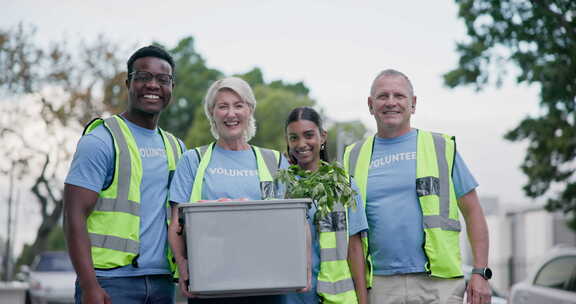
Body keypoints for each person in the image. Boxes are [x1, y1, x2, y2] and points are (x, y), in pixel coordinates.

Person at [343, 69, 492, 304]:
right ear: (371, 105)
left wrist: (480, 272)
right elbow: (351, 233)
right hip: (380, 285)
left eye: (399, 96)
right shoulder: (352, 156)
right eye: (383, 96)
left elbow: (473, 212)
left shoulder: (441, 147)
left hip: (438, 284)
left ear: (413, 104)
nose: (391, 102)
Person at [63, 45, 185, 304]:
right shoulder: (101, 140)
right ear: (128, 82)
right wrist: (89, 286)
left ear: (172, 87)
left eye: (163, 80)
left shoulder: (177, 147)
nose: (153, 85)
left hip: (162, 282)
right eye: (143, 77)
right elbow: (74, 216)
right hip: (109, 283)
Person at [168, 77, 289, 304]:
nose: (231, 113)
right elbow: (176, 222)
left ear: (250, 110)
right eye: (222, 106)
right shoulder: (193, 161)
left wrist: (302, 267)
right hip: (209, 282)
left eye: (238, 105)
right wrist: (182, 264)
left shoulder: (274, 161)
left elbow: (293, 221)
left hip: (266, 281)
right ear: (211, 113)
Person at [280, 107, 370, 304]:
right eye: (293, 138)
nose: (301, 144)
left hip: (336, 297)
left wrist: (363, 300)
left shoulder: (344, 184)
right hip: (291, 297)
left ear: (322, 137)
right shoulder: (281, 185)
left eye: (308, 135)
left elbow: (354, 248)